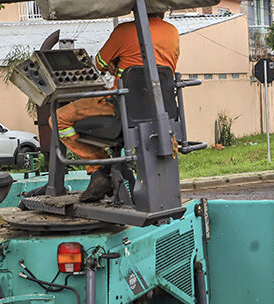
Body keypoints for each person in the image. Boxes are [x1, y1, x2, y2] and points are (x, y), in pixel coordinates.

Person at [52, 13, 180, 202]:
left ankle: (98, 169)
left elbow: (100, 64)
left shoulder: (125, 31)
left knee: (59, 118)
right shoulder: (172, 32)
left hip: (120, 106)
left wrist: (115, 63)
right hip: (159, 110)